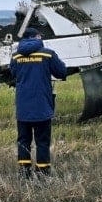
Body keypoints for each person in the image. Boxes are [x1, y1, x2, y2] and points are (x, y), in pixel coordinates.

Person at [10, 26, 67, 179]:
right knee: (42, 141)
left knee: (23, 141)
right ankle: (42, 175)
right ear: (37, 37)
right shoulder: (48, 54)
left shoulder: (16, 56)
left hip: (23, 108)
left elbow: (13, 73)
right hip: (42, 106)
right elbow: (61, 72)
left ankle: (24, 174)